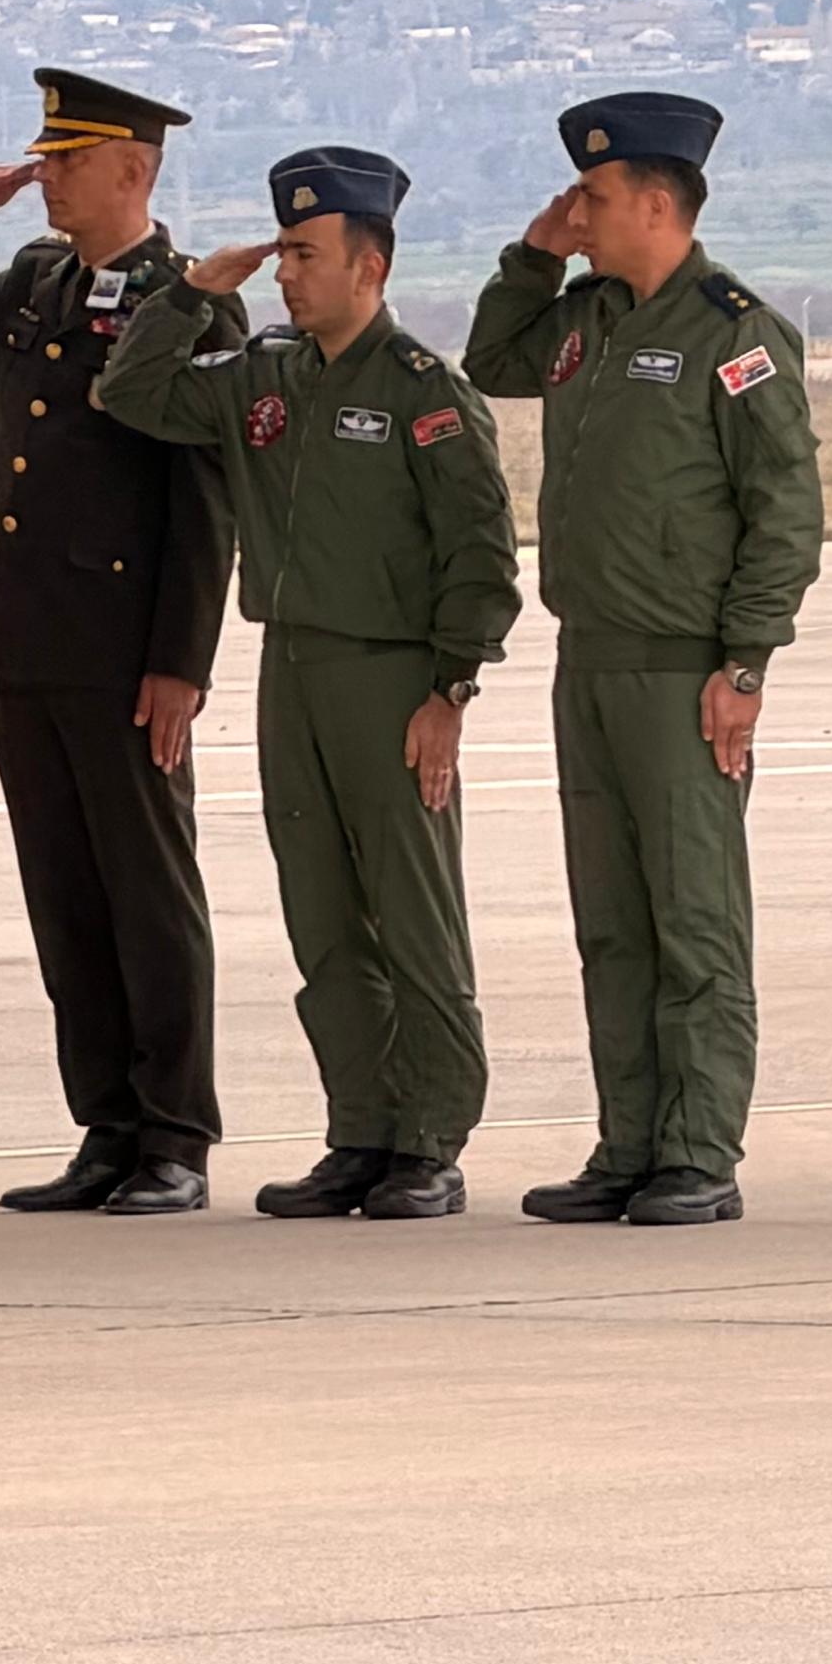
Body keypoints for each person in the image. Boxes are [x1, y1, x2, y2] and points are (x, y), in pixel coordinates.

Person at [96, 147, 519, 1222]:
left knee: (413, 919)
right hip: (291, 667)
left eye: (305, 255)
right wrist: (191, 294)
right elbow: (129, 392)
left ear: (368, 266)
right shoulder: (265, 377)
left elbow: (480, 556)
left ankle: (430, 1139)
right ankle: (360, 1129)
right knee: (321, 916)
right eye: (281, 252)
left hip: (393, 676)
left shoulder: (424, 393)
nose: (284, 273)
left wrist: (449, 693)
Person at [0, 70, 237, 1216]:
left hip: (124, 651)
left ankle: (172, 1135)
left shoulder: (186, 303)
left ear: (132, 169)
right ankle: (105, 1128)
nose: (49, 180)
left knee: (146, 896)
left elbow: (202, 500)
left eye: (69, 161)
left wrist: (178, 663)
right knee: (65, 897)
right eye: (44, 160)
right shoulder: (38, 279)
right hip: (25, 638)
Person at [460, 94, 821, 1229]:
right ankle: (627, 1145)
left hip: (684, 669)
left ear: (657, 205)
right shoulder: (583, 321)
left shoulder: (734, 334)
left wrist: (745, 663)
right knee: (612, 924)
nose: (579, 212)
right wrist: (532, 255)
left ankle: (698, 1151)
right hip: (591, 661)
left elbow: (783, 512)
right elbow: (490, 359)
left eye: (596, 196)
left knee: (693, 921)